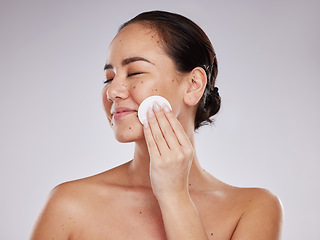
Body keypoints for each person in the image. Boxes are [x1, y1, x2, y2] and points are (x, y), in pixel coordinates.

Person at [30, 10, 283, 240]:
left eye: (134, 73)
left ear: (194, 84)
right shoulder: (68, 204)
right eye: (109, 78)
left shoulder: (254, 208)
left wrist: (174, 196)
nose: (113, 91)